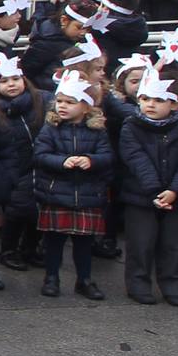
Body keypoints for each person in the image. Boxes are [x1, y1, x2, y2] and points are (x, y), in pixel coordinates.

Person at [116, 71, 178, 307]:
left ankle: (173, 285)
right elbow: (135, 159)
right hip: (140, 196)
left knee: (174, 245)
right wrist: (154, 189)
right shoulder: (131, 126)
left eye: (158, 100)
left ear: (175, 104)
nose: (150, 104)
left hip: (176, 197)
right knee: (141, 243)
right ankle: (138, 283)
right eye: (145, 99)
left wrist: (175, 190)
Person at [32, 72, 114, 300]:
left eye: (70, 102)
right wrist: (61, 161)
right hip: (56, 192)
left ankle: (84, 279)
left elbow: (107, 156)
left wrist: (91, 160)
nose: (63, 107)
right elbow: (40, 155)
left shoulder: (97, 131)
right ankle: (51, 277)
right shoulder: (51, 128)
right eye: (60, 101)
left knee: (84, 243)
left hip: (87, 194)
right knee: (54, 241)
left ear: (86, 106)